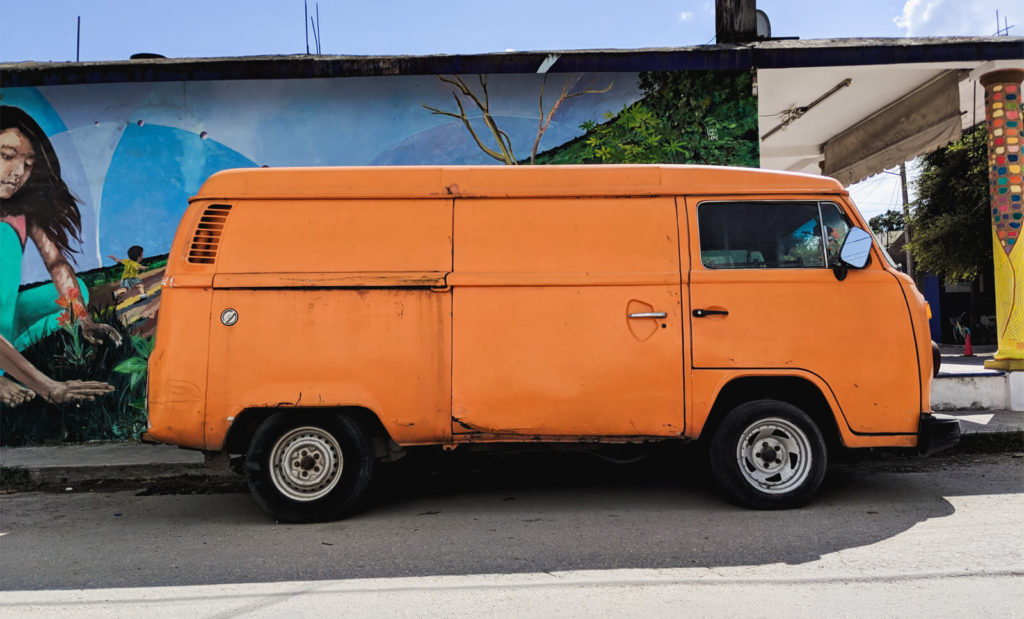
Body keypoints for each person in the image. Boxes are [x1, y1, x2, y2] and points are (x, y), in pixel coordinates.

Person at [0, 105, 120, 406]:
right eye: (7, 156)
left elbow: (55, 262)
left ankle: (6, 360)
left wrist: (83, 318)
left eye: (28, 165)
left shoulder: (20, 210)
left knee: (74, 290)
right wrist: (50, 388)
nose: (18, 174)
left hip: (4, 319)